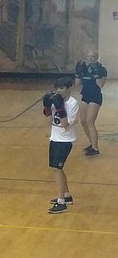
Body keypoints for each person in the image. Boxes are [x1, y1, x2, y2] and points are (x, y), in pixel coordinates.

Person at [44, 77, 79, 214]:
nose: (58, 91)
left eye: (62, 88)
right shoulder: (55, 100)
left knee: (57, 169)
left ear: (69, 89)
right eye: (57, 88)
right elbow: (49, 122)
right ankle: (66, 195)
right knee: (56, 168)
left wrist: (60, 108)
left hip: (65, 141)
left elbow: (66, 125)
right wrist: (47, 107)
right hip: (54, 138)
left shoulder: (72, 103)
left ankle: (61, 202)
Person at [75, 50, 107, 155]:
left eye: (93, 57)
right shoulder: (84, 68)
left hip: (95, 97)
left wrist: (95, 73)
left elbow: (100, 85)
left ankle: (95, 148)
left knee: (90, 122)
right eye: (89, 56)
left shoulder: (102, 69)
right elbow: (77, 84)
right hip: (85, 95)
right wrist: (78, 73)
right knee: (83, 121)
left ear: (97, 57)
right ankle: (91, 143)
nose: (90, 58)